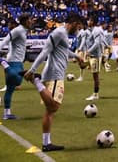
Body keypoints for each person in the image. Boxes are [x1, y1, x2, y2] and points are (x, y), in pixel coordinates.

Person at [24, 14, 84, 153]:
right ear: (74, 22)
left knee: (50, 110)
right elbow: (45, 51)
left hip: (56, 73)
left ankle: (46, 143)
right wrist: (33, 70)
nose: (79, 29)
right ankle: (37, 81)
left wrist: (77, 56)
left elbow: (63, 50)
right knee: (54, 106)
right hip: (55, 74)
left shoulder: (62, 34)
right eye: (79, 25)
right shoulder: (58, 33)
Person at [0, 15, 30, 121]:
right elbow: (6, 40)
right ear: (24, 21)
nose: (31, 22)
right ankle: (2, 62)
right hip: (14, 61)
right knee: (18, 80)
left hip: (17, 61)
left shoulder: (23, 31)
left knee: (10, 89)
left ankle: (7, 113)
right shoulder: (18, 30)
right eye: (29, 20)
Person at [84, 18, 108, 102]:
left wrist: (88, 51)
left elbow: (97, 43)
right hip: (91, 55)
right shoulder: (90, 30)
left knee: (95, 76)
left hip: (95, 56)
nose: (88, 21)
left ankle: (95, 94)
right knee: (92, 73)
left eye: (89, 20)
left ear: (92, 21)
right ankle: (95, 94)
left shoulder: (96, 30)